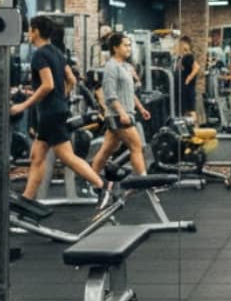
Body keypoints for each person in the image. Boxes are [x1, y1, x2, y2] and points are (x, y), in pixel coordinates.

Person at [10, 16, 111, 204]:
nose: (28, 34)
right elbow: (71, 80)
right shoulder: (57, 52)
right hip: (56, 110)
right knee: (37, 156)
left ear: (36, 31)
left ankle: (102, 186)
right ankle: (26, 201)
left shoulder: (40, 55)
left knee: (65, 156)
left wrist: (23, 106)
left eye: (30, 30)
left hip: (49, 113)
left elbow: (47, 85)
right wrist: (61, 97)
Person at [90, 33, 152, 177]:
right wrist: (122, 113)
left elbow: (130, 93)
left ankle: (92, 180)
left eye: (130, 45)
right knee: (136, 147)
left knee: (105, 151)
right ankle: (144, 182)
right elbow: (110, 95)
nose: (129, 48)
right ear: (115, 48)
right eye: (125, 45)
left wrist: (141, 108)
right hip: (118, 116)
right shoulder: (111, 67)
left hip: (124, 114)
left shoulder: (125, 66)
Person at [174, 35, 200, 123]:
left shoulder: (189, 56)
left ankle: (195, 129)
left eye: (182, 44)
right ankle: (189, 129)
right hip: (184, 88)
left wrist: (188, 79)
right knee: (186, 111)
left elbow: (196, 67)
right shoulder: (182, 57)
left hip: (188, 88)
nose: (180, 46)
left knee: (191, 110)